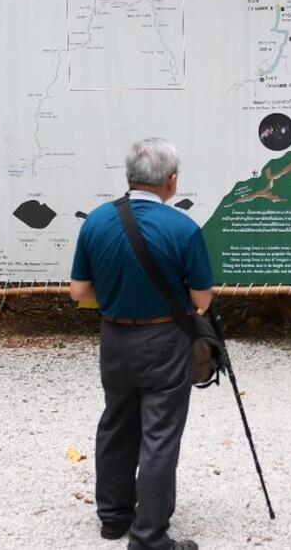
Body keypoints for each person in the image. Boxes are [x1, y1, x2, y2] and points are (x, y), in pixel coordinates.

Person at [70, 138, 214, 550]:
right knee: (160, 433)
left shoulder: (96, 221)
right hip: (164, 340)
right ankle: (150, 536)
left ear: (128, 176)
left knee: (116, 423)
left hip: (114, 337)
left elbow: (78, 291)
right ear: (171, 181)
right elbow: (201, 300)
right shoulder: (183, 228)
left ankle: (114, 518)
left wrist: (118, 294)